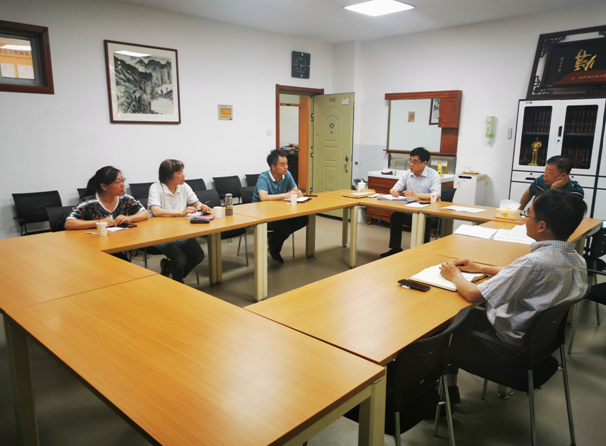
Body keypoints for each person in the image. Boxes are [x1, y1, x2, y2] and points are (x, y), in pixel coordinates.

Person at [438, 190, 588, 403]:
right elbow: (521, 274)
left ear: (541, 226)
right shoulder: (576, 260)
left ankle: (446, 393)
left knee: (452, 321)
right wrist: (481, 267)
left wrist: (454, 274)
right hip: (541, 344)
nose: (525, 219)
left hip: (509, 348)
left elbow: (473, 294)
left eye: (528, 215)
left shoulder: (532, 263)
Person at [148, 159, 211, 283]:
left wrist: (201, 206)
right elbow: (155, 211)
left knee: (198, 255)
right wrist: (181, 213)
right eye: (179, 173)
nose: (183, 175)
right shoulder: (156, 188)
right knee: (180, 259)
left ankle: (170, 269)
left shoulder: (184, 186)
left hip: (180, 231)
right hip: (160, 233)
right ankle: (177, 283)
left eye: (182, 172)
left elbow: (195, 202)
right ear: (168, 177)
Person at [380, 147, 441, 258]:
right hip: (412, 210)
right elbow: (393, 189)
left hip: (430, 212)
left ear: (424, 163)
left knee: (424, 220)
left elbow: (436, 196)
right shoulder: (407, 173)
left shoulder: (434, 175)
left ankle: (423, 252)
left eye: (415, 162)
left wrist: (416, 195)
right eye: (410, 160)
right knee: (396, 216)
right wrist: (394, 192)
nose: (411, 164)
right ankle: (395, 249)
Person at [253, 149, 308, 263]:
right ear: (273, 166)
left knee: (304, 219)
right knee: (282, 228)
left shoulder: (286, 175)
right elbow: (263, 197)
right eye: (282, 164)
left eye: (286, 163)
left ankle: (273, 239)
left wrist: (298, 193)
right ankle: (275, 249)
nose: (286, 167)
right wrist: (286, 195)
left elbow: (295, 190)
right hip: (261, 214)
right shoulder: (264, 177)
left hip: (279, 211)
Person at [65, 166, 149, 230]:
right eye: (118, 182)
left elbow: (145, 213)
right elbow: (69, 223)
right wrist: (98, 222)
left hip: (122, 240)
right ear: (104, 186)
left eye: (123, 180)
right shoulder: (89, 202)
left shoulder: (125, 199)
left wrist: (129, 218)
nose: (123, 184)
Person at [518, 155, 584, 210]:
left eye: (550, 173)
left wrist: (554, 189)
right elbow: (528, 193)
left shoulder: (575, 192)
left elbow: (559, 213)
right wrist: (519, 210)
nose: (545, 175)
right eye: (545, 171)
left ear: (563, 176)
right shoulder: (540, 181)